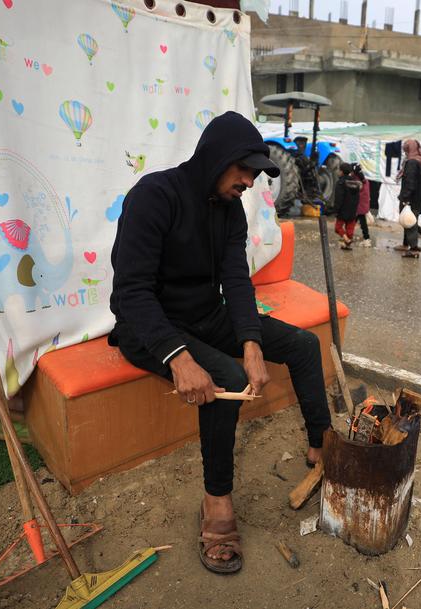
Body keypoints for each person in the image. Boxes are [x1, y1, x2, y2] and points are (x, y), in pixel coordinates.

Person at [108, 111, 333, 575]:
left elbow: (235, 276)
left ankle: (321, 449)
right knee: (225, 377)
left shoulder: (228, 207)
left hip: (204, 315)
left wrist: (251, 341)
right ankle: (216, 502)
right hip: (146, 326)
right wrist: (177, 357)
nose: (249, 182)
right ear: (217, 159)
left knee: (303, 346)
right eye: (243, 170)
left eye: (254, 174)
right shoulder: (154, 196)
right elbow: (131, 292)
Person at [393, 139, 421, 258]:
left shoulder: (412, 162)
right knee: (409, 220)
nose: (405, 152)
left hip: (412, 196)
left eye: (406, 149)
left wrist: (405, 198)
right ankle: (408, 243)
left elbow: (410, 182)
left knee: (410, 222)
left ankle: (413, 249)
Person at [334, 162, 362, 250]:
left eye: (339, 170)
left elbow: (339, 198)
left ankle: (347, 240)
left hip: (343, 210)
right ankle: (347, 245)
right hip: (353, 210)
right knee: (350, 230)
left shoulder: (340, 183)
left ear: (341, 172)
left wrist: (336, 209)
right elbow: (357, 198)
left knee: (338, 228)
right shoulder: (355, 183)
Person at [353, 164, 373, 247]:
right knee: (361, 222)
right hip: (363, 206)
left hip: (358, 206)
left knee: (354, 222)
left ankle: (366, 239)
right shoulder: (365, 181)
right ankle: (366, 239)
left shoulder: (357, 182)